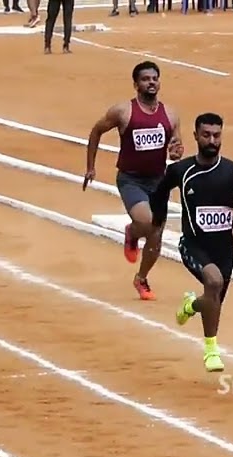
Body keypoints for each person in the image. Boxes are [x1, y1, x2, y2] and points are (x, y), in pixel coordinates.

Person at [147, 112, 233, 373]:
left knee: (212, 302)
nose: (212, 140)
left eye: (217, 135)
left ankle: (191, 305)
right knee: (213, 282)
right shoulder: (181, 170)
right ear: (196, 136)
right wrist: (157, 224)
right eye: (206, 135)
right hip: (193, 245)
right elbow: (159, 194)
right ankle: (211, 350)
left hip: (225, 251)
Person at [82, 60, 183, 301]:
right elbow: (96, 131)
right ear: (136, 84)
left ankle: (141, 278)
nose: (151, 82)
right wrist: (90, 168)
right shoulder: (123, 112)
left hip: (159, 182)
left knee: (156, 235)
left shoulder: (170, 114)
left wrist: (176, 152)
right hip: (131, 180)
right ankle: (132, 231)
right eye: (146, 79)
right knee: (147, 222)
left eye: (154, 78)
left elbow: (176, 148)